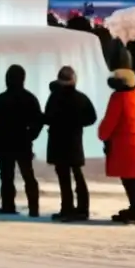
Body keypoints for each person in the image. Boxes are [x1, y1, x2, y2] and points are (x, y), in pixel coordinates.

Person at [98, 68, 135, 225]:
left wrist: (102, 134)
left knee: (129, 180)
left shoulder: (118, 98)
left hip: (124, 145)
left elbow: (110, 122)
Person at [0, 64, 44, 217]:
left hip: (4, 142)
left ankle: (8, 205)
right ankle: (34, 208)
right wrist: (30, 135)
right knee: (28, 175)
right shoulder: (30, 98)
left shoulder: (2, 98)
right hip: (22, 143)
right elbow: (39, 120)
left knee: (6, 176)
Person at [44, 66, 96, 221]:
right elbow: (91, 118)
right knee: (77, 174)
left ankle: (67, 207)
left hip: (57, 140)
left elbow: (47, 117)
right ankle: (82, 208)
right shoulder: (80, 97)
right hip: (74, 140)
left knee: (63, 176)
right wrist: (76, 123)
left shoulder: (54, 97)